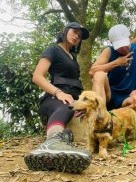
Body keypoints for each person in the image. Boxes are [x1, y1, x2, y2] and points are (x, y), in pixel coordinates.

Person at [24, 22, 92, 173]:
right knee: (66, 105)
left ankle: (54, 155)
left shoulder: (73, 59)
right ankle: (53, 141)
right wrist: (58, 93)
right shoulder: (53, 49)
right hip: (54, 98)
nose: (77, 37)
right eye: (74, 32)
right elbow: (37, 76)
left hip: (72, 99)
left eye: (80, 36)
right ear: (65, 31)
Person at [89, 24, 136, 112]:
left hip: (127, 97)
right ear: (112, 43)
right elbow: (92, 71)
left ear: (130, 37)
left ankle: (113, 116)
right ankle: (100, 114)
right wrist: (116, 63)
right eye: (120, 47)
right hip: (109, 95)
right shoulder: (109, 51)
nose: (124, 49)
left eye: (125, 44)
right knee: (99, 75)